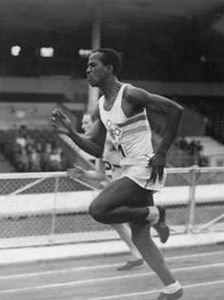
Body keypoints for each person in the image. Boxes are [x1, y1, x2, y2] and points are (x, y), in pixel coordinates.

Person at [52, 48, 183, 300]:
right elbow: (98, 149)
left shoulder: (130, 94)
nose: (87, 70)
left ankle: (155, 214)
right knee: (140, 236)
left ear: (109, 69)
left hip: (144, 168)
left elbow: (175, 110)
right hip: (128, 172)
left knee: (98, 209)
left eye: (93, 65)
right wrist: (70, 132)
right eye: (87, 66)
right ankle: (172, 287)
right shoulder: (102, 106)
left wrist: (163, 151)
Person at [68, 111, 144, 271]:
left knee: (111, 215)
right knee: (113, 220)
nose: (83, 126)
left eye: (86, 123)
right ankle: (137, 252)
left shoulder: (116, 141)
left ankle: (151, 219)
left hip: (129, 187)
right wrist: (83, 173)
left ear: (97, 124)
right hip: (116, 189)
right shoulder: (97, 148)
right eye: (82, 123)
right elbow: (100, 174)